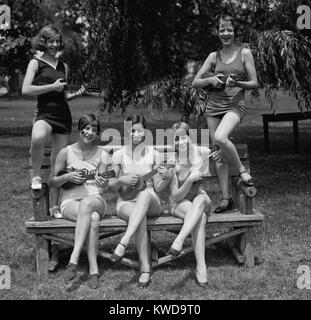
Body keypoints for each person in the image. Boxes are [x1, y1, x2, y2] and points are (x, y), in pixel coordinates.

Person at [192, 15, 259, 213]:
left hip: (234, 105)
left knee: (221, 137)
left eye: (229, 30)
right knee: (218, 152)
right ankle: (225, 198)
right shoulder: (213, 56)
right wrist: (211, 79)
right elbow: (196, 81)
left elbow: (255, 83)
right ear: (218, 32)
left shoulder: (245, 53)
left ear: (234, 31)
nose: (225, 33)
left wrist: (237, 83)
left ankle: (242, 170)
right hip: (213, 107)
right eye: (222, 30)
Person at [22, 25, 85, 218]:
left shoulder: (63, 65)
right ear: (43, 42)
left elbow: (61, 94)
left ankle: (55, 206)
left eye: (57, 41)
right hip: (44, 113)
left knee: (58, 163)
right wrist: (52, 86)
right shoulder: (35, 63)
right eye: (50, 41)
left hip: (62, 115)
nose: (54, 45)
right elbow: (26, 90)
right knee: (38, 138)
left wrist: (74, 95)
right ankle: (36, 175)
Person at [108, 114, 172, 287]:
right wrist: (122, 180)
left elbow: (158, 188)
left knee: (144, 196)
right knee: (139, 216)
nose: (134, 133)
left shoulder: (154, 154)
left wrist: (166, 177)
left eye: (138, 130)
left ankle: (124, 241)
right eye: (131, 129)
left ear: (145, 132)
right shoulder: (119, 155)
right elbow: (112, 185)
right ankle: (145, 269)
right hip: (125, 202)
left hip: (151, 200)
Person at [49, 114, 109, 289]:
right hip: (70, 203)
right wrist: (68, 176)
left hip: (96, 200)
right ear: (80, 128)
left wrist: (103, 182)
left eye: (94, 130)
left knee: (88, 204)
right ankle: (94, 271)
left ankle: (73, 260)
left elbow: (104, 187)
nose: (90, 133)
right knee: (94, 219)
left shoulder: (102, 154)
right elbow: (52, 181)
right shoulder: (65, 152)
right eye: (87, 128)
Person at [167, 121, 217, 287]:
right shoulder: (172, 162)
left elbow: (219, 150)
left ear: (190, 137)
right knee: (200, 217)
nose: (180, 142)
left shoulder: (200, 153)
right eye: (176, 139)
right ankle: (201, 268)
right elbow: (176, 195)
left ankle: (180, 239)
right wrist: (189, 179)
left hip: (199, 199)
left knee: (202, 198)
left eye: (184, 137)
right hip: (179, 203)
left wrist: (220, 153)